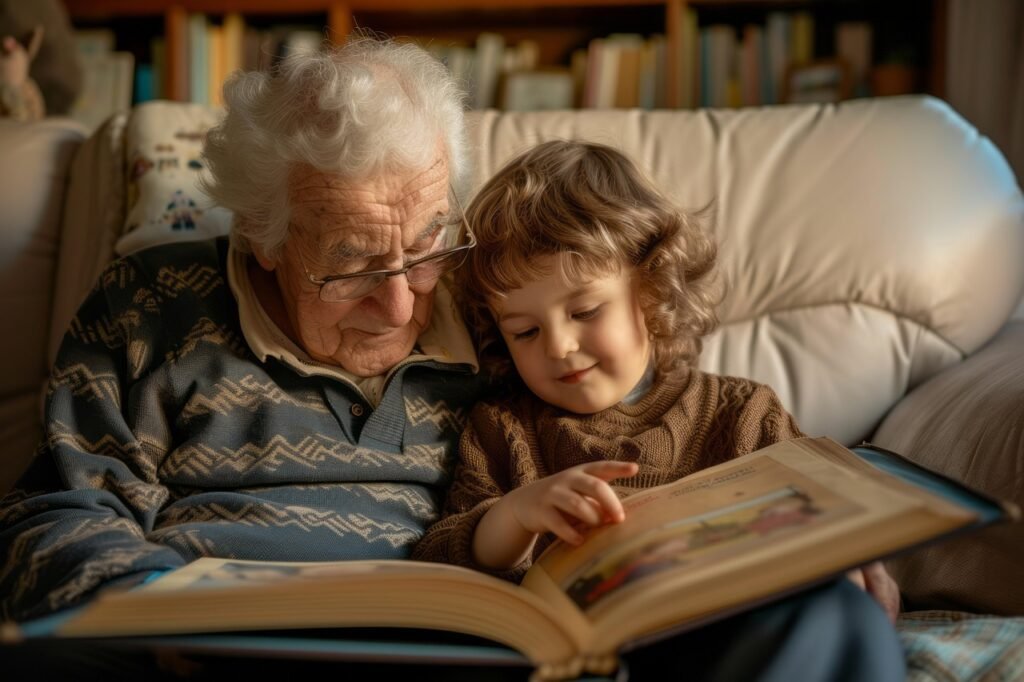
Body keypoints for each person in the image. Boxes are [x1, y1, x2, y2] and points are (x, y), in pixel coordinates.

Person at [0, 37, 481, 629]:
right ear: (262, 236)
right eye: (353, 263)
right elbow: (53, 516)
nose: (399, 307)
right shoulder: (153, 303)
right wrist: (153, 613)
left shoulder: (503, 314)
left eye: (425, 244)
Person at [413, 139, 904, 681]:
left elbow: (825, 523)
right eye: (525, 332)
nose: (558, 346)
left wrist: (848, 556)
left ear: (651, 288)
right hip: (583, 661)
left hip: (731, 648)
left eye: (585, 311)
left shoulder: (743, 414)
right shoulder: (503, 428)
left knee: (842, 609)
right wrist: (515, 516)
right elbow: (440, 563)